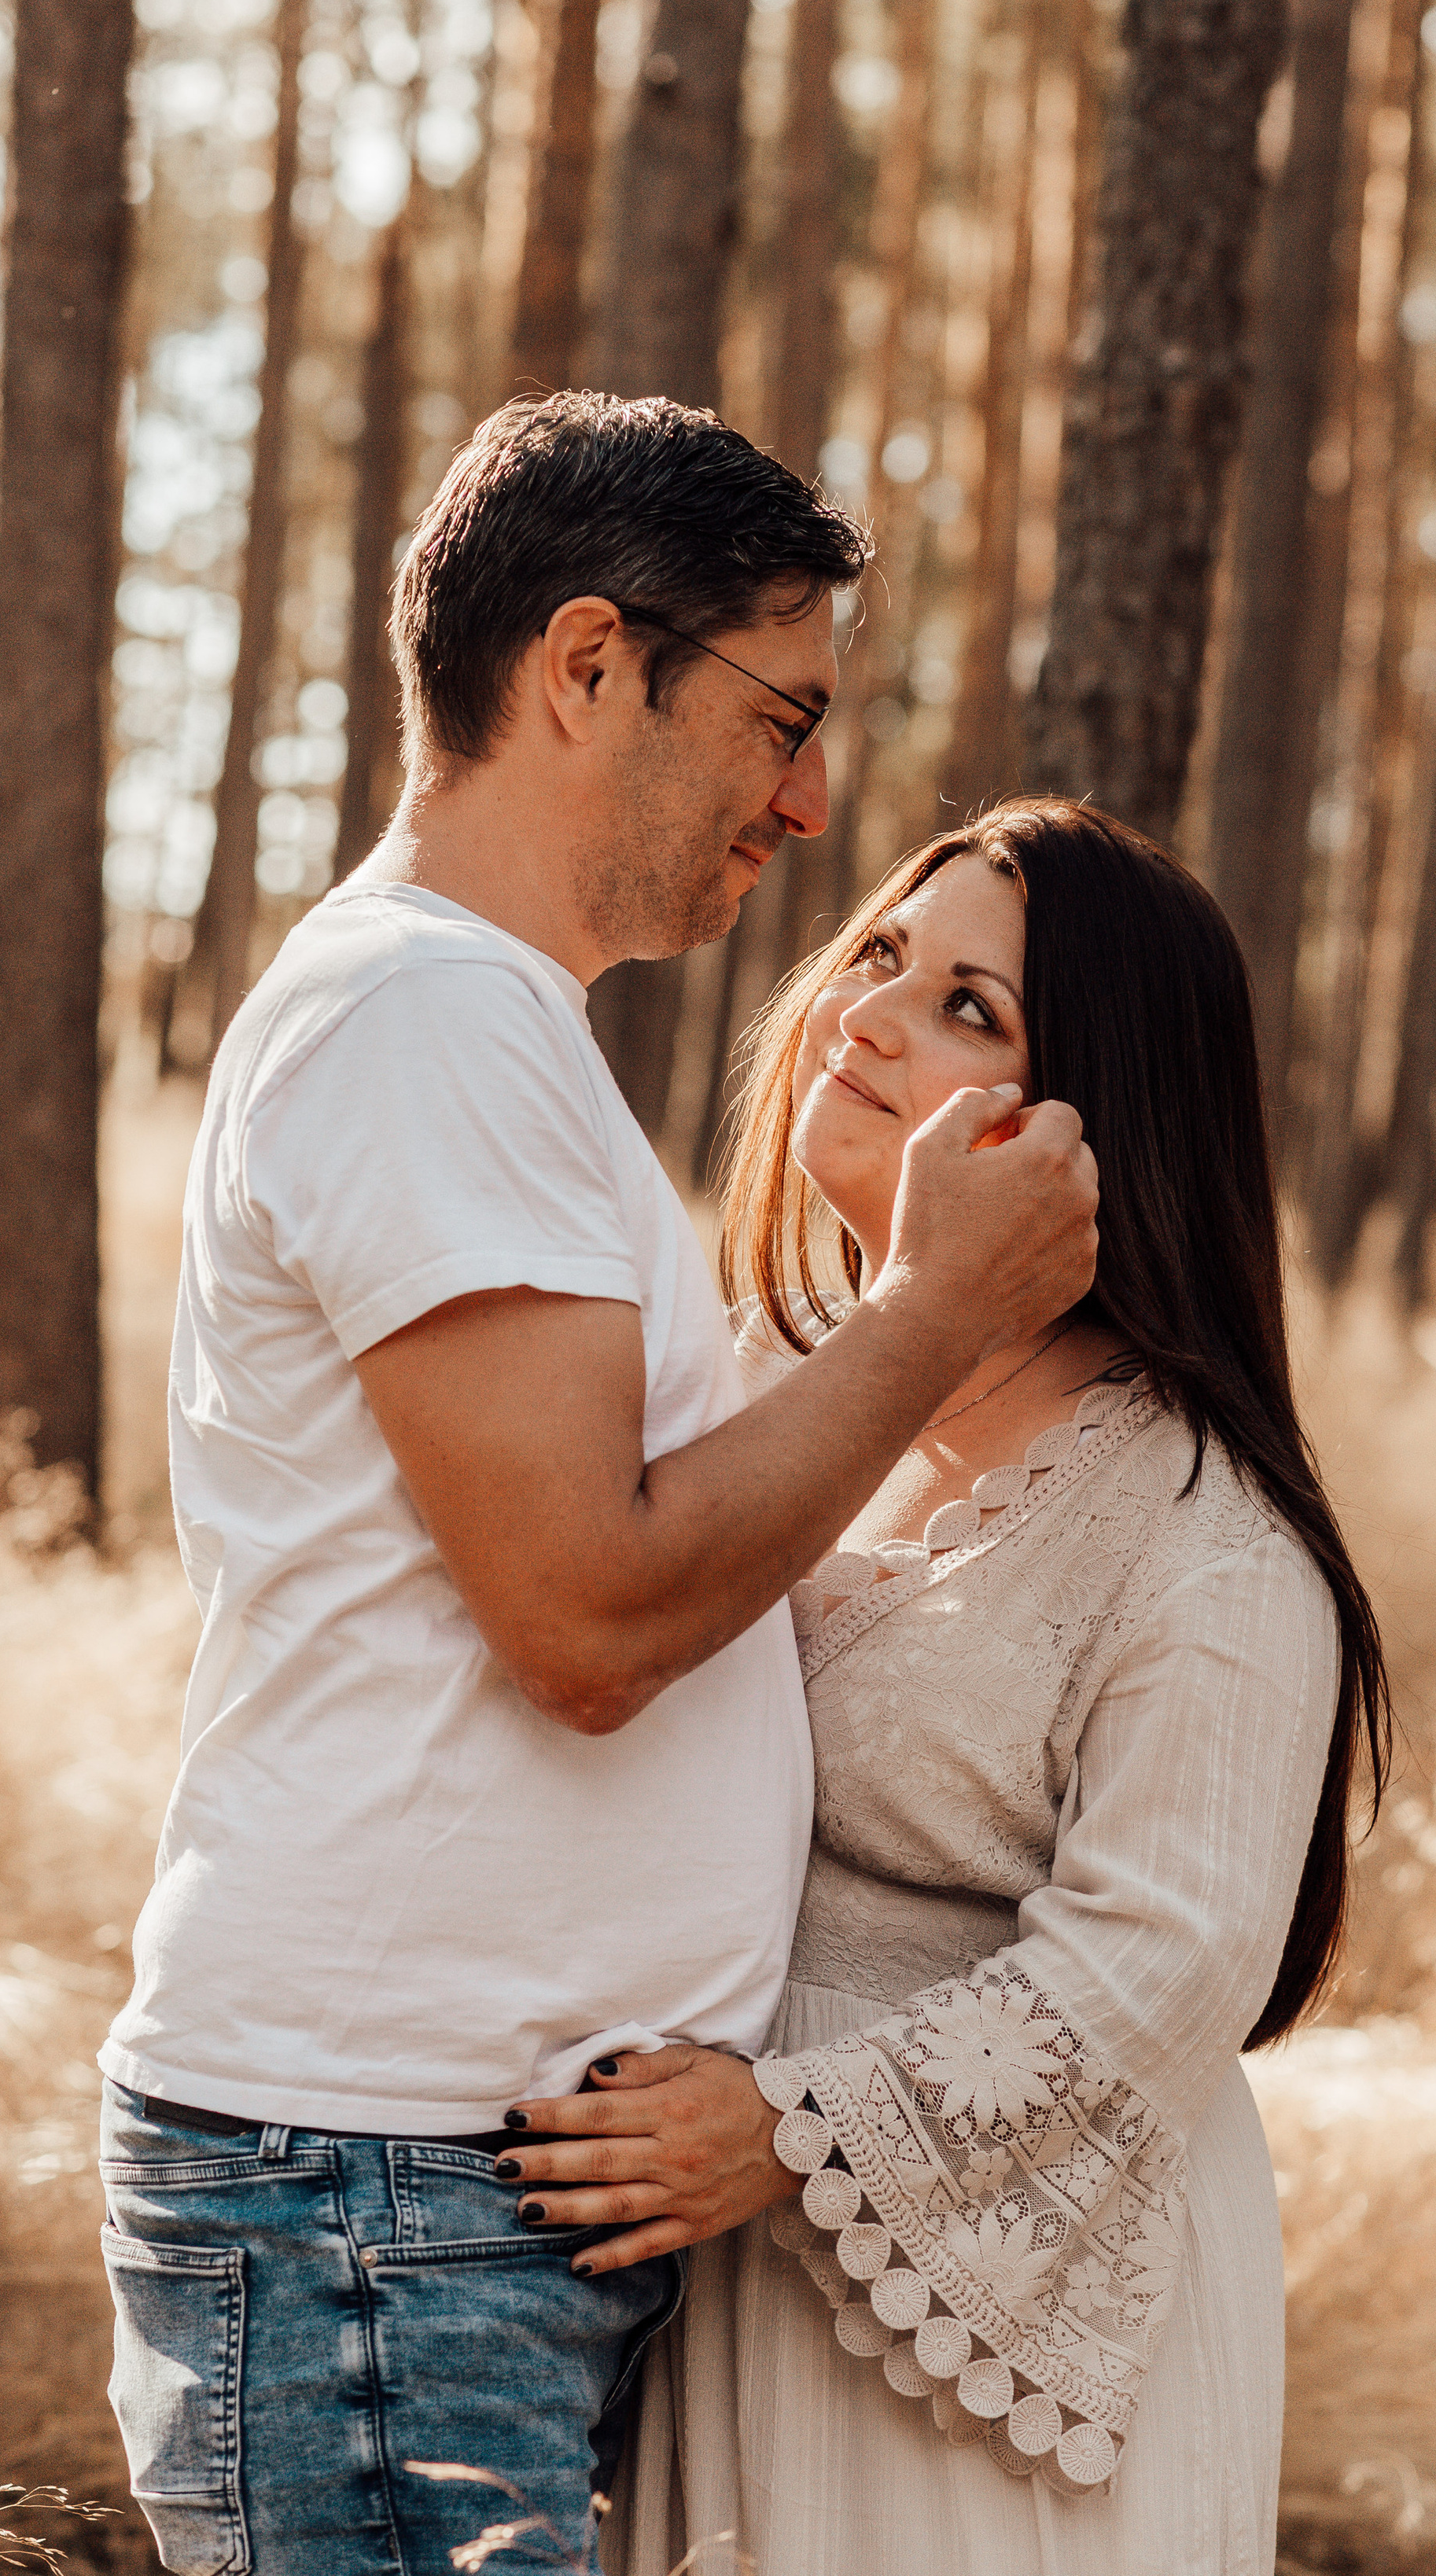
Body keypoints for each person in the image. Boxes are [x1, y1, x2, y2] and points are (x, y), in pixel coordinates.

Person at [94, 396, 1102, 2576]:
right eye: (779, 719)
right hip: (378, 2201)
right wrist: (937, 1309)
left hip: (438, 2198)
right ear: (585, 664)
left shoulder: (483, 1027)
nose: (808, 804)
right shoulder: (428, 1021)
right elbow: (589, 1616)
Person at [502, 798, 1390, 2576]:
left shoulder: (1203, 1541)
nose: (868, 1015)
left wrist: (786, 2134)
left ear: (1091, 1134)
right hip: (706, 2264)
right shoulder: (755, 1391)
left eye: (968, 1009)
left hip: (982, 2328)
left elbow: (1159, 1964)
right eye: (884, 957)